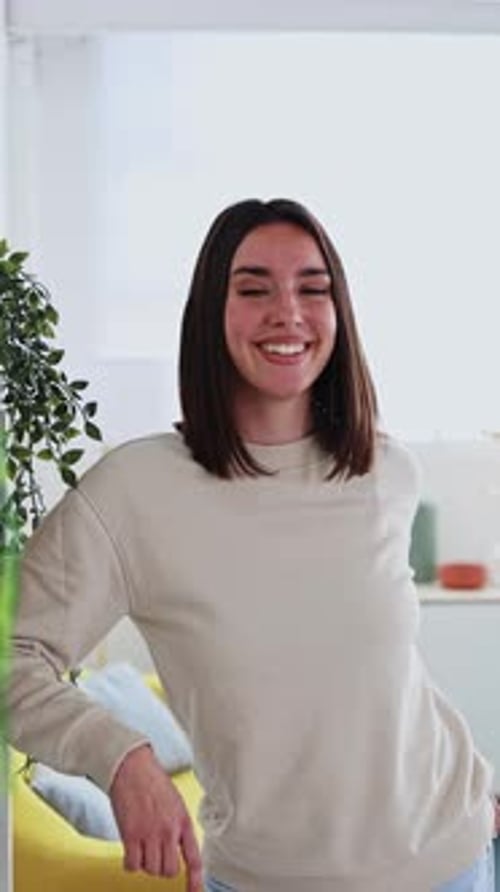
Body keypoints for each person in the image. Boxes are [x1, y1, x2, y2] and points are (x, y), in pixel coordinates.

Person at [7, 198, 496, 892]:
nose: (287, 312)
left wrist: (479, 793)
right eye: (254, 288)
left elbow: (375, 678)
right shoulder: (135, 492)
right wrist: (118, 756)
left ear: (340, 314)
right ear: (212, 311)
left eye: (313, 288)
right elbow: (11, 657)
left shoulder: (386, 471)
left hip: (450, 861)